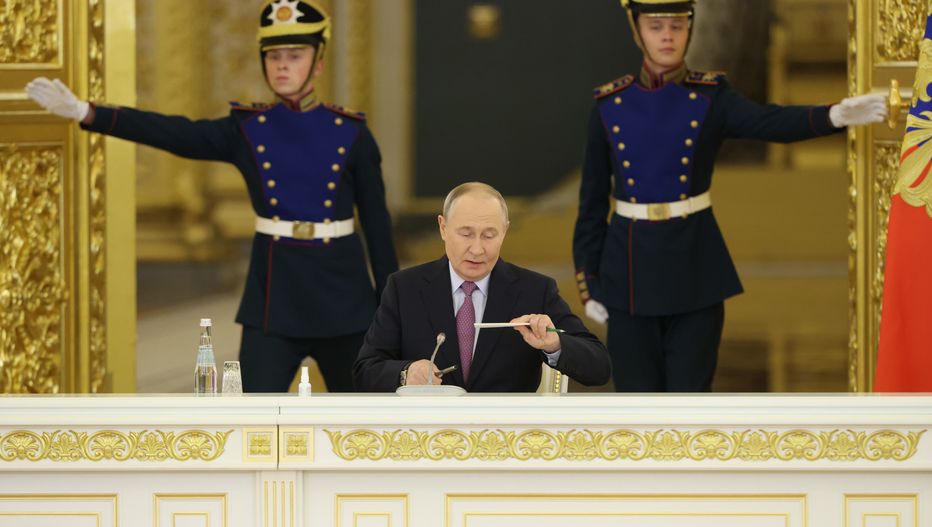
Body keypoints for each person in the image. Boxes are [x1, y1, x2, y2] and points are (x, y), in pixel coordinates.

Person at [25, 0, 398, 393]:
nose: (282, 65)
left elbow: (378, 228)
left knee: (364, 416)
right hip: (275, 300)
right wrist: (87, 112)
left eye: (294, 55)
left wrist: (392, 310)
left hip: (344, 298)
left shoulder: (351, 133)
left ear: (318, 63)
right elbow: (175, 132)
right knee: (253, 418)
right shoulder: (249, 128)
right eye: (273, 56)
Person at [572, 0, 887, 392]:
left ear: (690, 29)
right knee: (638, 409)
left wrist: (833, 115)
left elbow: (768, 121)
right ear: (637, 32)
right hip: (628, 277)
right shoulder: (609, 106)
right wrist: (590, 284)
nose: (667, 35)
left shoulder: (710, 97)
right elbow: (591, 207)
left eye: (677, 24)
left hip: (695, 272)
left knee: (692, 405)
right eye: (655, 26)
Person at [354, 182, 611, 392]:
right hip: (427, 439)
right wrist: (405, 373)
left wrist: (554, 344)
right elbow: (364, 372)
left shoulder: (535, 290)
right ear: (443, 228)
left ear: (505, 231)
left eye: (489, 235)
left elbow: (599, 368)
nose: (477, 249)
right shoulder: (404, 288)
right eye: (466, 234)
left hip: (506, 441)